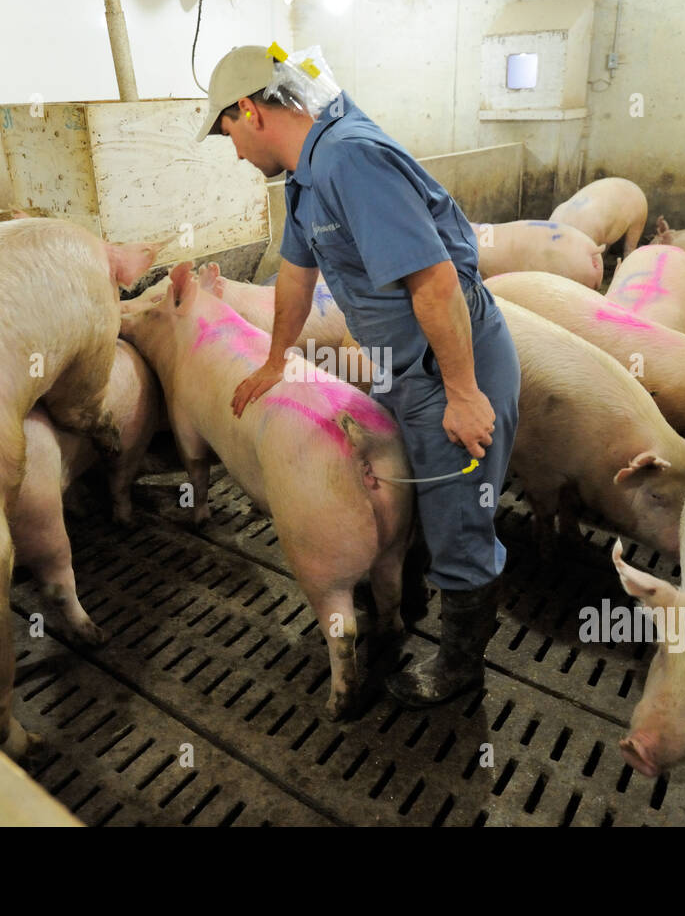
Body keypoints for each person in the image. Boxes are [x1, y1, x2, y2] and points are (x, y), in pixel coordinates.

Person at [196, 45, 520, 707]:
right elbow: (295, 271)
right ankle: (423, 604)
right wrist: (274, 360)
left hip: (447, 365)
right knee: (425, 502)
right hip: (406, 367)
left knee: (461, 519)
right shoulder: (305, 173)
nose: (233, 153)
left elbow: (432, 281)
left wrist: (462, 394)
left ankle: (460, 670)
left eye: (228, 133)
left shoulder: (349, 158)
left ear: (252, 111)